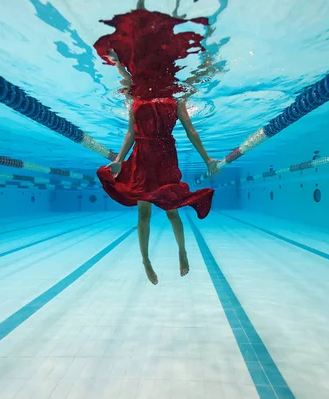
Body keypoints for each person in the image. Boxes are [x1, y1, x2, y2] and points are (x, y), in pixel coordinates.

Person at [94, 4, 219, 285]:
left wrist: (208, 159)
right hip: (141, 155)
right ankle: (146, 259)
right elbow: (129, 134)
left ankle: (183, 252)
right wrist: (118, 160)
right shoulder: (134, 96)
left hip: (164, 154)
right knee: (144, 211)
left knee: (172, 208)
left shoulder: (175, 98)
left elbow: (191, 131)